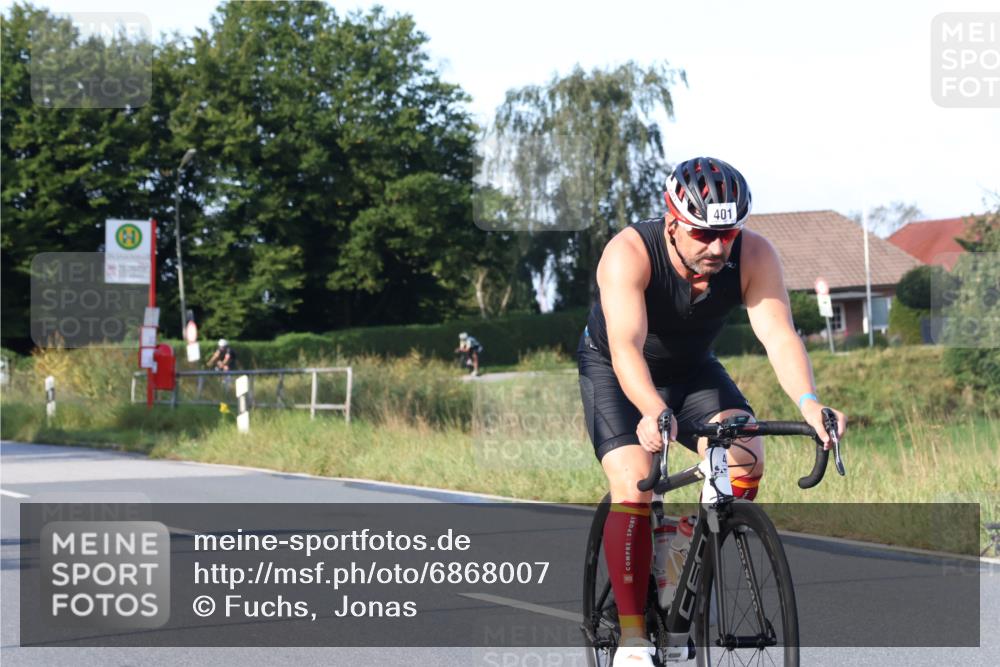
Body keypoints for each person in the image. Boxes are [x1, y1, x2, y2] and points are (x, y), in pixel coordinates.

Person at [577, 157, 847, 666]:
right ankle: (633, 641)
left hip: (692, 368)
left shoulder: (753, 255)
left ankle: (680, 550)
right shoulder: (629, 253)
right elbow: (627, 347)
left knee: (745, 453)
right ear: (673, 222)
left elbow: (778, 333)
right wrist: (652, 409)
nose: (718, 247)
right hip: (618, 367)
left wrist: (810, 403)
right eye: (703, 234)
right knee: (635, 477)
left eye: (727, 233)